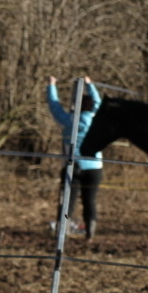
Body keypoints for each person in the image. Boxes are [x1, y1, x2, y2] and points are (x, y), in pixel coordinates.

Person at [46, 75, 103, 240]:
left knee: (67, 203)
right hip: (94, 168)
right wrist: (90, 84)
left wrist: (51, 85)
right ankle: (90, 234)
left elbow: (54, 105)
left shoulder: (67, 121)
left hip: (73, 167)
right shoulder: (95, 120)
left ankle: (62, 232)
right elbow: (98, 102)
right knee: (89, 201)